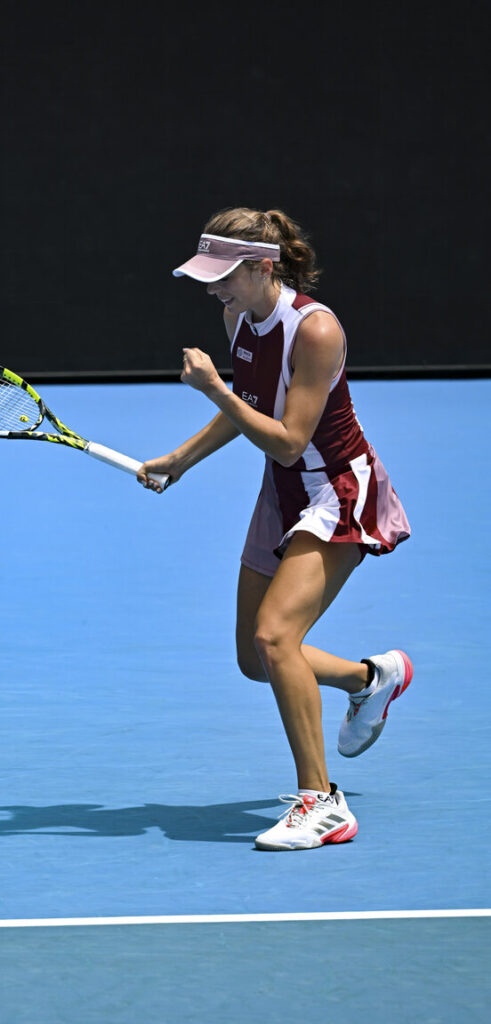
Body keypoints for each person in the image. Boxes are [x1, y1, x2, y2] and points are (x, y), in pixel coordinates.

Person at [138, 207, 412, 851]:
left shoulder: (316, 330)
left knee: (275, 636)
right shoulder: (238, 317)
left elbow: (289, 439)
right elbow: (254, 407)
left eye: (224, 277)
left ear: (263, 267)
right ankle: (369, 680)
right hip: (283, 492)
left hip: (336, 491)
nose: (214, 290)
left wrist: (214, 389)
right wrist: (181, 459)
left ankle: (322, 803)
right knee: (253, 658)